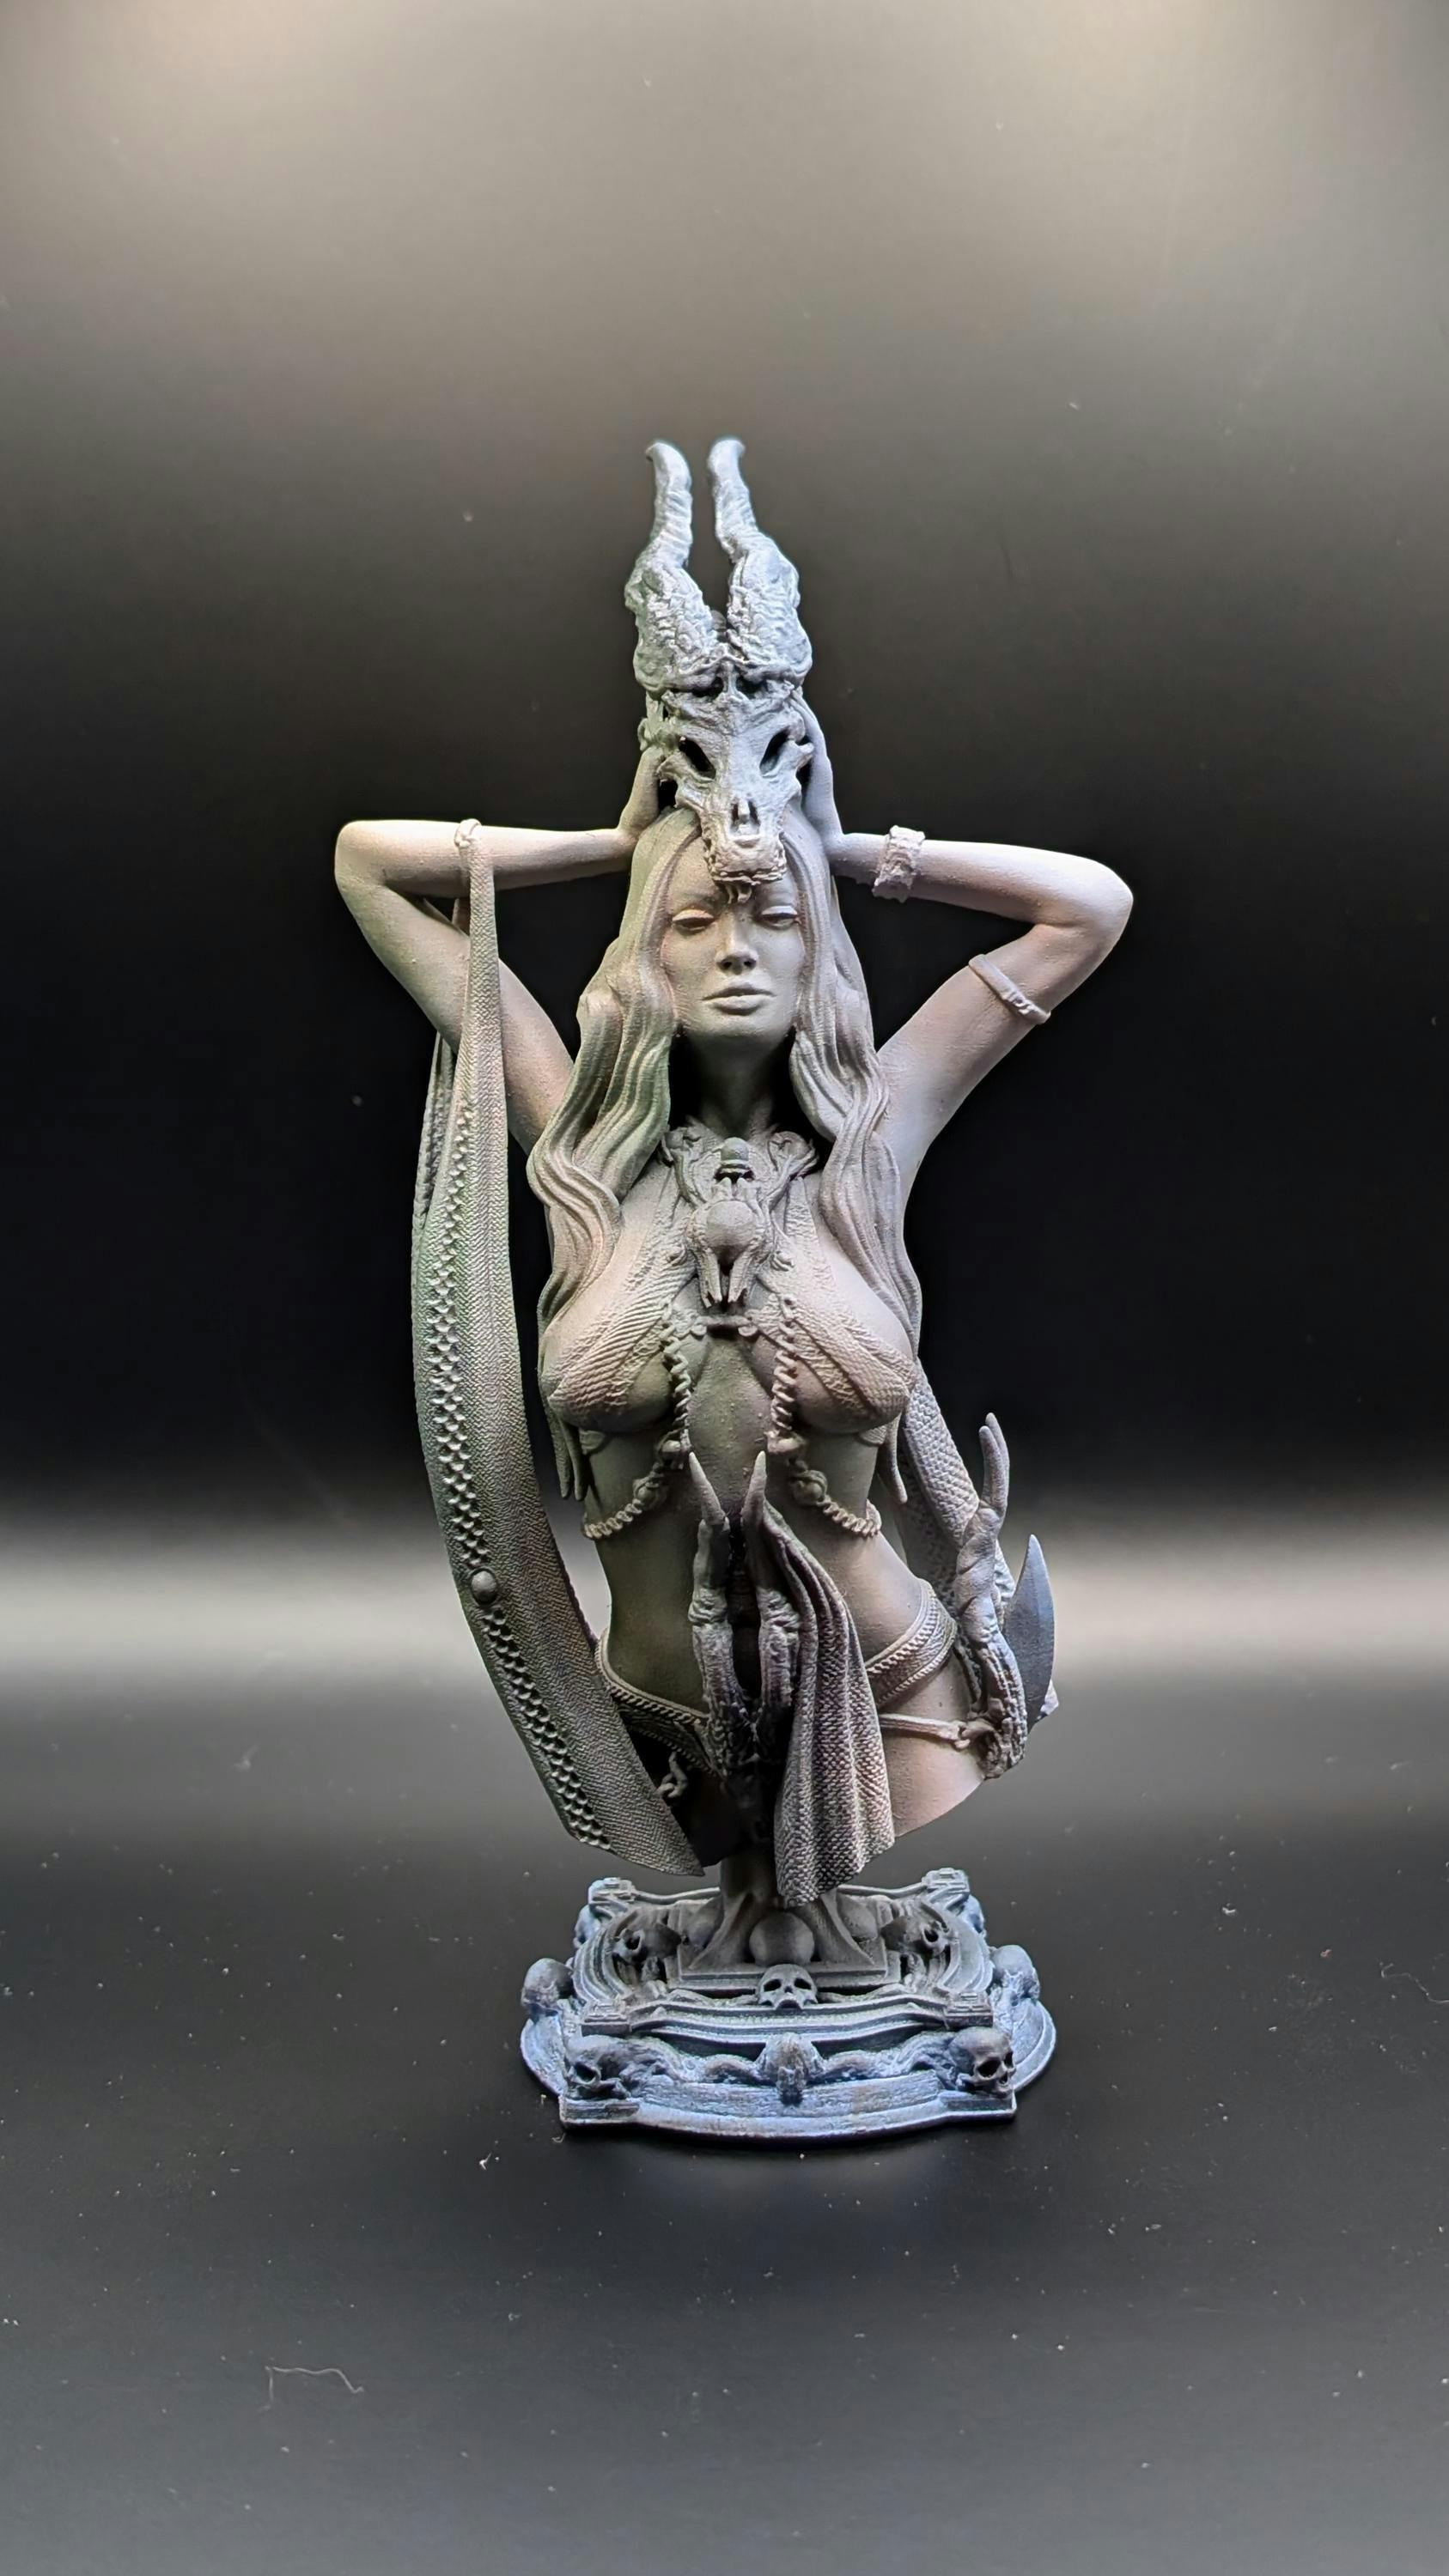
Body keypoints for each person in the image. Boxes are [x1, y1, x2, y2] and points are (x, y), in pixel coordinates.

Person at [336, 440, 1130, 1935]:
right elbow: (371, 867)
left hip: (897, 1701)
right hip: (650, 1731)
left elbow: (1087, 908)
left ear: (820, 947)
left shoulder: (874, 1130)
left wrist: (835, 846)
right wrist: (627, 838)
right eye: (695, 919)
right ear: (645, 952)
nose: (740, 946)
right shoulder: (576, 1137)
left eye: (776, 920)